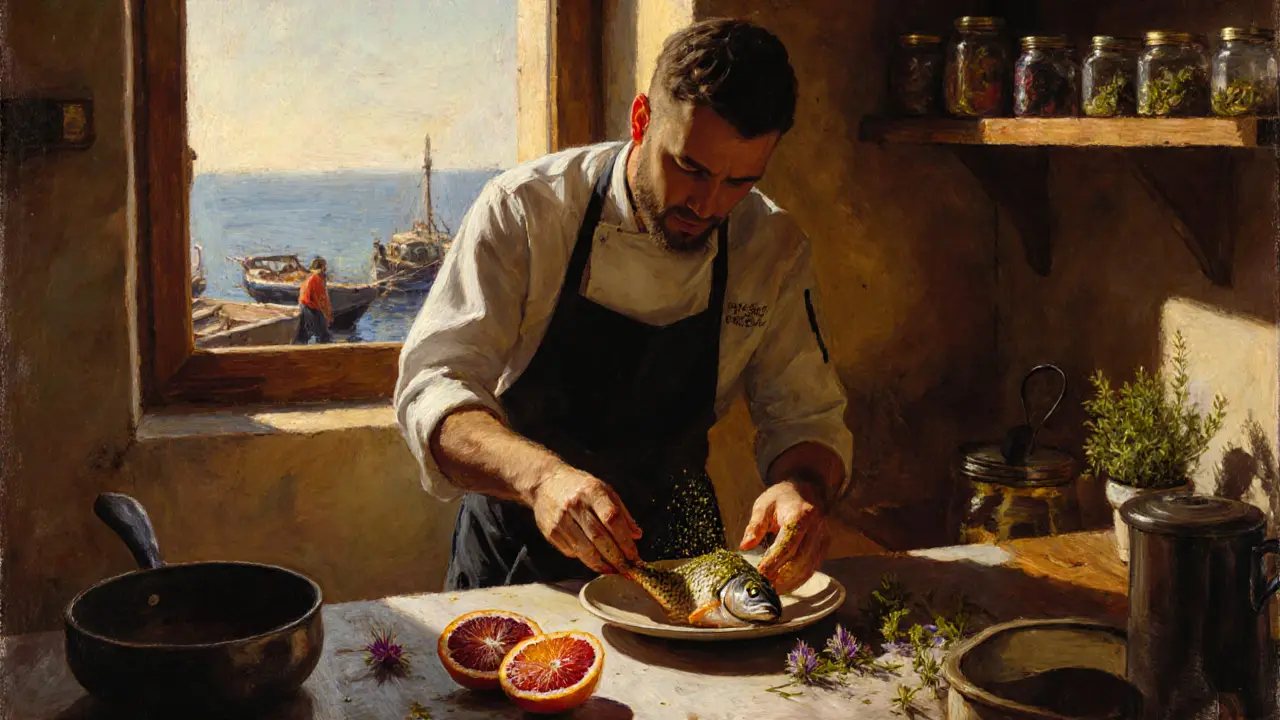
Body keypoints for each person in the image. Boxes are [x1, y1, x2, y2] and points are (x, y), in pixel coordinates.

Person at [394, 18, 852, 595]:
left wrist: (801, 489)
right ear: (641, 120)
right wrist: (540, 479)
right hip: (518, 563)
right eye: (690, 167)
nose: (708, 204)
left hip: (687, 567)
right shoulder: (527, 210)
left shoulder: (772, 247)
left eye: (739, 182)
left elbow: (807, 418)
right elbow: (433, 385)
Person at [295, 257, 333, 344]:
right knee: (323, 334)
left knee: (306, 333)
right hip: (310, 307)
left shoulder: (309, 277)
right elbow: (320, 299)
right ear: (322, 267)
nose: (326, 269)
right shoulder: (316, 279)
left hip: (304, 306)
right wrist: (326, 314)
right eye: (324, 266)